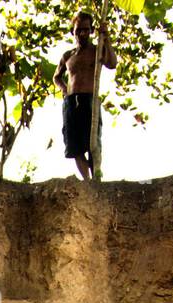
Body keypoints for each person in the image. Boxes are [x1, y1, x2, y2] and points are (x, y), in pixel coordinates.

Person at [53, 11, 117, 181]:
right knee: (74, 145)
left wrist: (106, 36)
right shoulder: (68, 56)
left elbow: (112, 63)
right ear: (72, 32)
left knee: (92, 142)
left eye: (86, 30)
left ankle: (97, 175)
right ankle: (87, 182)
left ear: (91, 31)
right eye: (78, 30)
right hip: (71, 102)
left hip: (90, 99)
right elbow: (56, 77)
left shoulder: (97, 52)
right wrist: (65, 90)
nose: (82, 33)